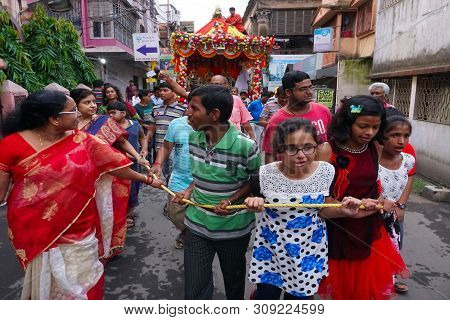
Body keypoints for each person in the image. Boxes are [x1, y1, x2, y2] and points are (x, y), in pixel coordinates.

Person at [0, 90, 161, 300]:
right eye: (73, 110)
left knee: (85, 281)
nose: (79, 114)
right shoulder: (10, 145)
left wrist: (148, 180)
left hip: (80, 227)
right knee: (47, 282)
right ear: (54, 119)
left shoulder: (82, 139)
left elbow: (112, 165)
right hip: (35, 227)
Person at [244, 118, 373, 300]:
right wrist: (254, 203)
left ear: (317, 147)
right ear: (280, 149)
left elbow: (324, 208)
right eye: (291, 148)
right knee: (266, 297)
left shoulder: (326, 172)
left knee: (300, 301)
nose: (301, 155)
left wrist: (344, 210)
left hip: (308, 251)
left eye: (308, 147)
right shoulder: (264, 174)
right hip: (270, 252)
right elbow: (256, 205)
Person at [172, 85, 261, 300]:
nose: (188, 113)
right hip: (196, 225)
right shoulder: (193, 138)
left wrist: (231, 200)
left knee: (234, 285)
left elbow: (254, 182)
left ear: (214, 114)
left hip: (234, 230)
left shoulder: (246, 146)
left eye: (194, 108)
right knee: (194, 290)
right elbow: (201, 174)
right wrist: (187, 190)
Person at [318, 95, 409, 300]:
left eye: (376, 127)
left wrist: (382, 201)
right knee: (344, 294)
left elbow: (373, 185)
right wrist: (347, 208)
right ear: (348, 122)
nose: (369, 133)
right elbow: (319, 201)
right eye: (363, 126)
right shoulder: (327, 150)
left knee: (368, 294)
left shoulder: (374, 146)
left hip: (370, 229)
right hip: (338, 230)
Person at [70, 88, 149, 259]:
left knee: (105, 211)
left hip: (104, 177)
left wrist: (138, 157)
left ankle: (105, 248)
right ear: (75, 105)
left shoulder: (103, 121)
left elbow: (121, 142)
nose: (92, 106)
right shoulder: (68, 125)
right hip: (78, 178)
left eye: (93, 101)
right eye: (87, 102)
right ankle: (85, 250)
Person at [159, 72, 257, 140]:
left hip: (233, 140)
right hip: (210, 140)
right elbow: (184, 93)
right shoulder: (204, 98)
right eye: (212, 84)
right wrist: (169, 80)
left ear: (227, 85)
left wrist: (253, 138)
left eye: (218, 84)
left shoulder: (236, 99)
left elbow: (245, 122)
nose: (215, 86)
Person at [378, 113, 415, 293]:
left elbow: (409, 179)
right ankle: (376, 282)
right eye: (394, 135)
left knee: (395, 246)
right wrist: (380, 202)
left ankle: (390, 279)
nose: (401, 141)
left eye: (406, 136)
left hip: (395, 215)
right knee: (375, 250)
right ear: (382, 136)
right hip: (373, 215)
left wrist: (401, 205)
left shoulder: (408, 160)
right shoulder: (372, 162)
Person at [262, 71, 332, 164]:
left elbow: (331, 141)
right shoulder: (277, 121)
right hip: (292, 175)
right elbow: (270, 154)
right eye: (303, 89)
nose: (309, 92)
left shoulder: (323, 111)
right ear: (288, 92)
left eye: (310, 87)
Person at [150, 115, 193, 249]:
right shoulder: (176, 123)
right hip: (180, 179)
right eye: (191, 105)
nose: (191, 111)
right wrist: (157, 164)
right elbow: (166, 147)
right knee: (175, 214)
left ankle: (194, 238)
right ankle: (186, 231)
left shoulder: (214, 126)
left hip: (204, 181)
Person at [107, 101, 149, 228]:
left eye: (113, 113)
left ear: (124, 113)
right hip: (117, 164)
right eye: (109, 113)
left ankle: (129, 213)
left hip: (134, 163)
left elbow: (143, 138)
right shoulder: (107, 128)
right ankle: (120, 212)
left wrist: (144, 149)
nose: (110, 116)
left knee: (133, 188)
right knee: (117, 189)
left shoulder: (135, 125)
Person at [147, 82, 187, 183]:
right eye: (160, 91)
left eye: (165, 90)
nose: (162, 93)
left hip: (175, 149)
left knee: (174, 177)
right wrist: (147, 140)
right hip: (159, 148)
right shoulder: (155, 109)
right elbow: (152, 127)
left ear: (173, 92)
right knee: (164, 173)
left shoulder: (182, 110)